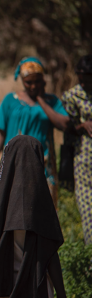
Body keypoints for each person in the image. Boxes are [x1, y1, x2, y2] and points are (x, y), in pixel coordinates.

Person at [0, 136, 66, 298]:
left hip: (0, 292)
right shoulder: (42, 208)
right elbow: (50, 255)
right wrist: (62, 296)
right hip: (37, 293)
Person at [0, 57, 69, 206]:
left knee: (43, 211)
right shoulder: (10, 100)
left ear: (43, 81)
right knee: (15, 209)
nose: (33, 86)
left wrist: (40, 99)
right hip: (14, 164)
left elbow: (64, 123)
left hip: (43, 165)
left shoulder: (51, 102)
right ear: (22, 81)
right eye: (28, 82)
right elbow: (0, 131)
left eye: (37, 81)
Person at [62, 54, 92, 245]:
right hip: (84, 159)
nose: (82, 78)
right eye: (79, 74)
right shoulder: (72, 96)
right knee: (88, 212)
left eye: (86, 75)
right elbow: (67, 128)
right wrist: (82, 126)